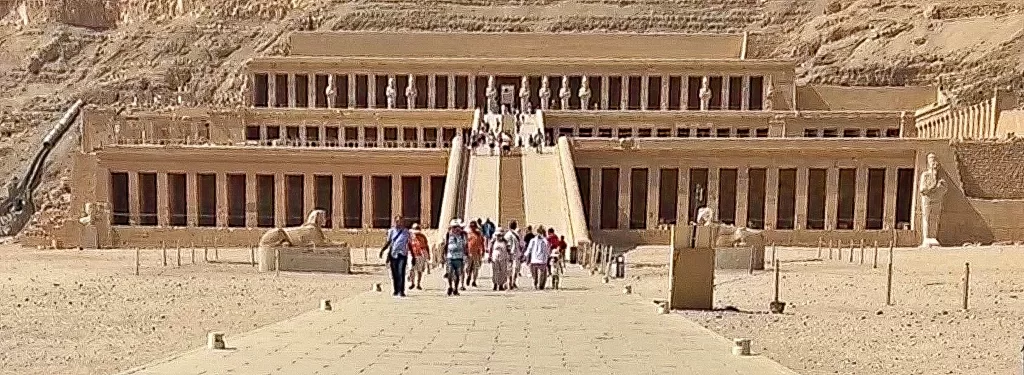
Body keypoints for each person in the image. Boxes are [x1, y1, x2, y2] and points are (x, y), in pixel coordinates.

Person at [378, 216, 411, 297]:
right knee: (394, 273)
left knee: (401, 272)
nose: (397, 223)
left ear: (402, 222)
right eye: (396, 221)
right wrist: (382, 250)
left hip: (402, 254)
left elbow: (409, 243)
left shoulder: (406, 232)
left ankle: (401, 291)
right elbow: (389, 242)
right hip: (393, 254)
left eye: (399, 221)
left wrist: (413, 255)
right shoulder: (391, 231)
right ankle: (396, 290)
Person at [443, 219, 469, 296]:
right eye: (453, 227)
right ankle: (450, 286)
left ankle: (456, 288)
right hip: (450, 257)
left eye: (456, 227)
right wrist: (443, 255)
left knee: (458, 274)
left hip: (459, 257)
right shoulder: (448, 234)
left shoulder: (462, 235)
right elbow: (445, 245)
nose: (455, 229)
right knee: (450, 273)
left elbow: (465, 245)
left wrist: (466, 254)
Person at [407, 223, 430, 290]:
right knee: (411, 269)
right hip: (412, 254)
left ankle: (418, 284)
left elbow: (426, 246)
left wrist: (428, 255)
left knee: (419, 270)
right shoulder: (410, 236)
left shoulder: (422, 236)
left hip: (420, 255)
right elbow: (408, 245)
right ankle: (412, 283)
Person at [465, 221, 485, 289]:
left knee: (476, 268)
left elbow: (482, 243)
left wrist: (483, 251)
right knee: (468, 267)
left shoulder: (479, 234)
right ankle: (468, 275)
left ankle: (474, 281)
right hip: (469, 253)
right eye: (471, 226)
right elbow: (465, 243)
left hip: (477, 253)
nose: (472, 228)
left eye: (473, 226)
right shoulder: (468, 234)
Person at [504, 220, 523, 289]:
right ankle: (513, 282)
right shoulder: (518, 234)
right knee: (515, 268)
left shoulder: (506, 235)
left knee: (509, 268)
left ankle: (509, 281)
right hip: (516, 253)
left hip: (508, 253)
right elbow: (522, 244)